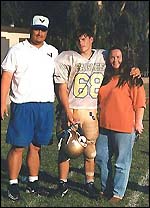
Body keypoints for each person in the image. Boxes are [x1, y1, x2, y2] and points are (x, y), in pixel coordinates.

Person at [53, 27, 141, 199]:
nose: (81, 43)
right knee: (65, 148)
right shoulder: (66, 57)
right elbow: (61, 86)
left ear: (92, 39)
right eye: (78, 39)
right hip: (72, 109)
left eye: (84, 39)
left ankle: (90, 183)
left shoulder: (103, 55)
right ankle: (62, 183)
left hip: (91, 111)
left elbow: (119, 59)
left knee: (91, 150)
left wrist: (134, 68)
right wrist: (66, 109)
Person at [1, 15, 58, 201]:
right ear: (30, 29)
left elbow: (60, 79)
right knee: (18, 146)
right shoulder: (16, 50)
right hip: (23, 105)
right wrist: (2, 102)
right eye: (36, 28)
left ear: (47, 31)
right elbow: (6, 78)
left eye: (43, 29)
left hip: (45, 105)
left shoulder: (53, 52)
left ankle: (33, 182)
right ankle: (13, 184)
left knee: (36, 146)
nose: (39, 32)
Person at [96, 46, 146, 203]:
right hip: (104, 126)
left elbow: (140, 102)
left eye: (118, 57)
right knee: (101, 157)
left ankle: (118, 193)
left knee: (121, 162)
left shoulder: (132, 77)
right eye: (112, 57)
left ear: (124, 58)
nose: (115, 60)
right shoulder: (105, 77)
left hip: (124, 127)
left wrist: (138, 122)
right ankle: (106, 188)